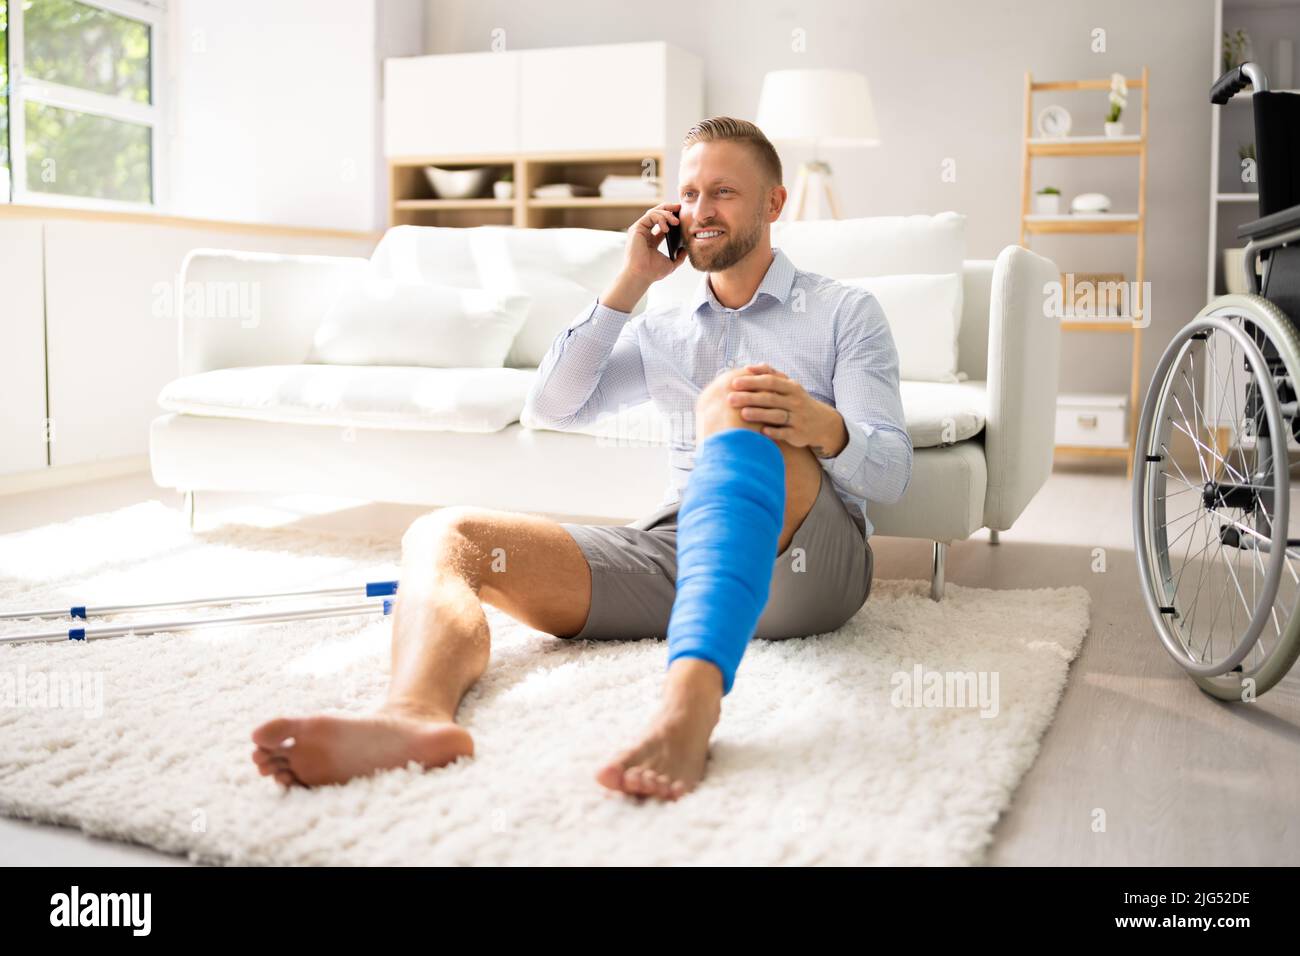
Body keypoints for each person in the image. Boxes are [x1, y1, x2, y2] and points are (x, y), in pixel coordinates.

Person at [251, 116, 912, 801]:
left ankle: (689, 709)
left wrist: (821, 426)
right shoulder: (664, 329)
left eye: (723, 192)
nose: (700, 210)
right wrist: (630, 281)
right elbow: (554, 405)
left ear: (773, 204)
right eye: (689, 194)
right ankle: (411, 718)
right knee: (448, 536)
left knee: (737, 402)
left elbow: (890, 473)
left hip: (811, 567)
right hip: (680, 557)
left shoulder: (844, 313)